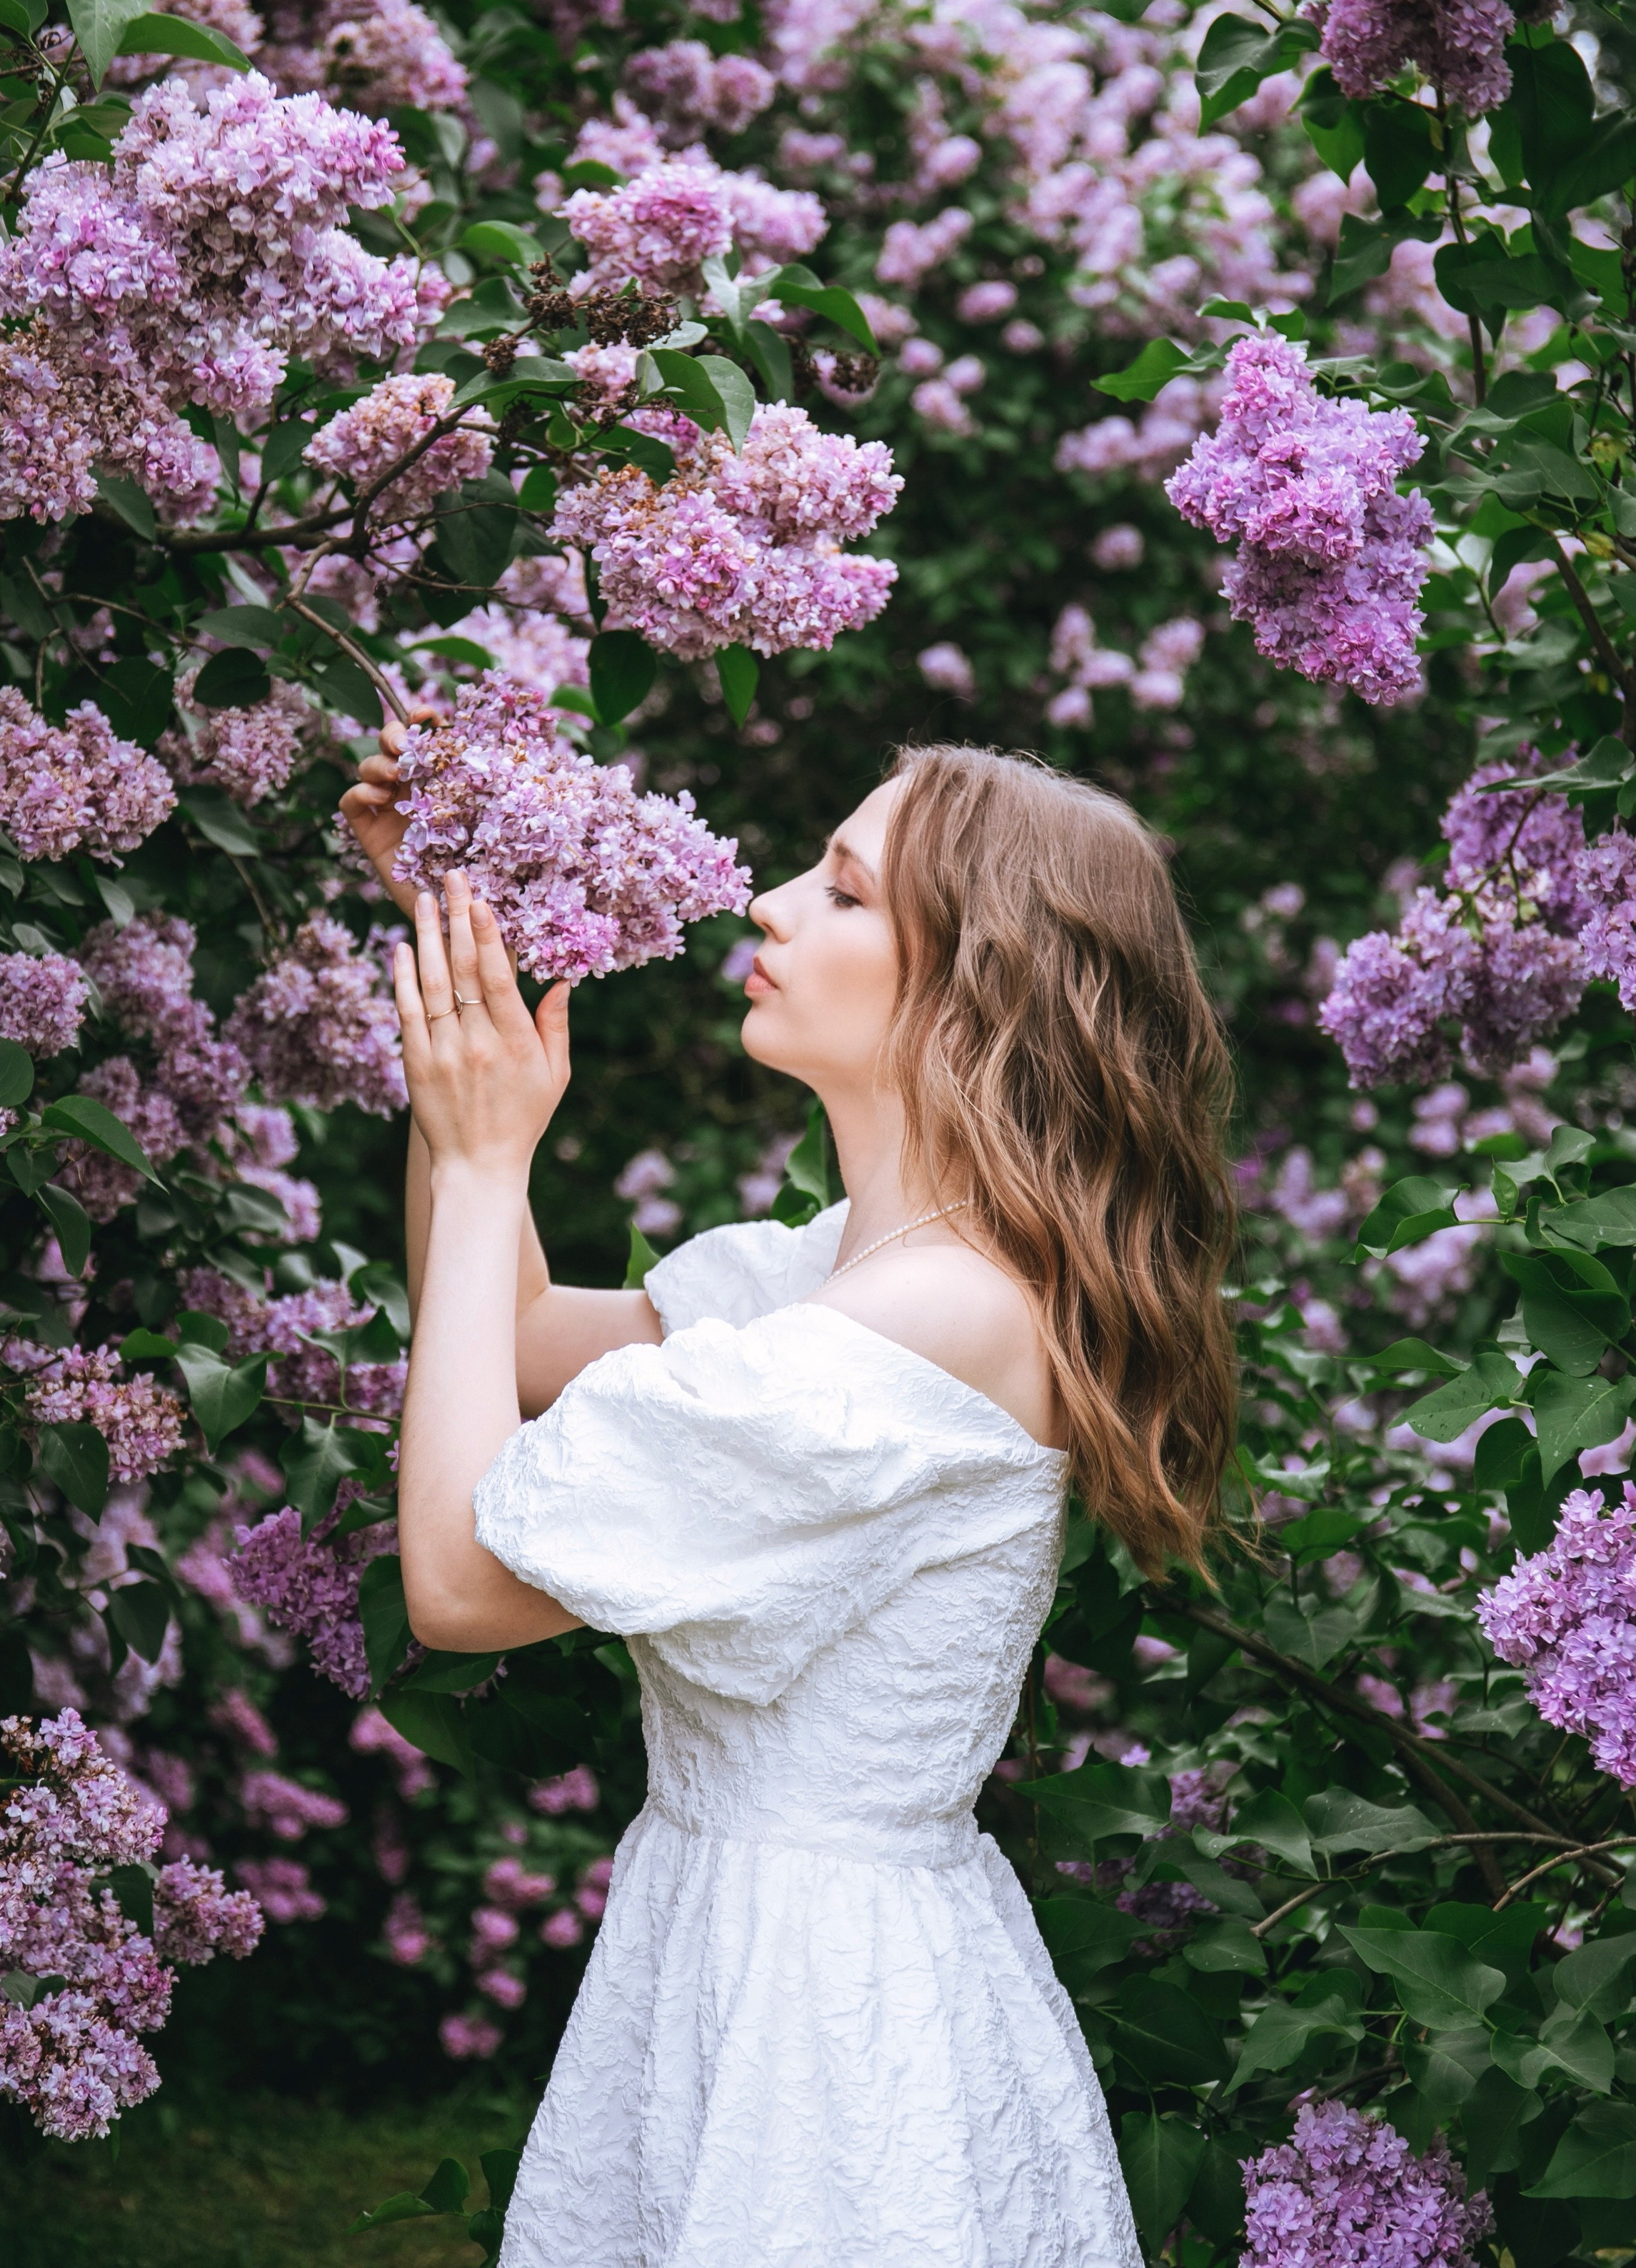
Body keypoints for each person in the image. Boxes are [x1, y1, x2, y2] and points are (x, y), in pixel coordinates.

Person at [341, 731, 1238, 2268]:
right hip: (732, 1938)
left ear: (975, 987)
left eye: (836, 891)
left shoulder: (936, 1323)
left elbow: (457, 1585)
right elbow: (510, 1334)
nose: (761, 902)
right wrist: (454, 961)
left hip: (824, 2027)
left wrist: (491, 1166)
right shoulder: (836, 1277)